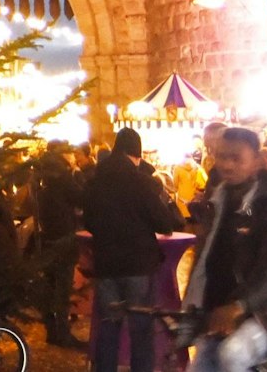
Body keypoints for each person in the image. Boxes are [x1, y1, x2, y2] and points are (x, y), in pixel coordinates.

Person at [183, 127, 267, 372]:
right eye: (222, 157)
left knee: (234, 355)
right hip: (217, 314)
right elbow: (207, 256)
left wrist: (240, 305)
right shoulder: (218, 201)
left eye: (236, 158)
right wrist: (193, 304)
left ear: (256, 162)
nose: (227, 165)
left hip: (262, 314)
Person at [82, 128, 183, 372]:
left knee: (108, 326)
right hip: (138, 265)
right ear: (136, 154)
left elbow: (89, 222)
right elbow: (164, 223)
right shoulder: (141, 182)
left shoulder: (95, 181)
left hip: (106, 264)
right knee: (141, 329)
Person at [29, 146, 85, 348]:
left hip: (45, 238)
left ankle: (52, 330)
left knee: (49, 287)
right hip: (63, 238)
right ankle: (62, 333)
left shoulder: (39, 178)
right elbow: (82, 197)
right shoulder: (63, 177)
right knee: (62, 289)